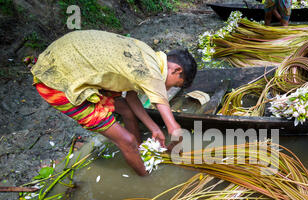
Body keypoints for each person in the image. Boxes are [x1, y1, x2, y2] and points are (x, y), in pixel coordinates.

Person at [30, 30, 197, 177]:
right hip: (57, 80)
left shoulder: (148, 55)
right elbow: (174, 129)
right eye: (174, 85)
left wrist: (153, 128)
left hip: (72, 62)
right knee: (127, 140)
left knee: (127, 112)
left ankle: (138, 151)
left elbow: (131, 97)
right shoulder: (152, 73)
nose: (167, 89)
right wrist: (174, 146)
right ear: (176, 70)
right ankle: (145, 177)